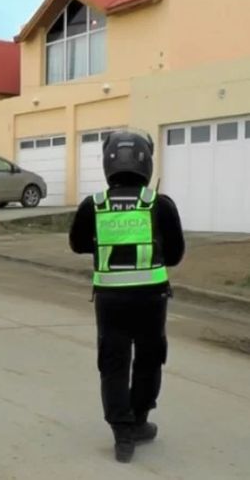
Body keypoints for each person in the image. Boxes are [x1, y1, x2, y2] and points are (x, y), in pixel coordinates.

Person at [69, 130, 185, 463]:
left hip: (110, 301)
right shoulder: (158, 204)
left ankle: (122, 434)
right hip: (151, 299)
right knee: (149, 358)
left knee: (113, 362)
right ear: (146, 162)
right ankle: (139, 421)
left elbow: (77, 244)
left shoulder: (94, 205)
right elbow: (175, 254)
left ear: (107, 164)